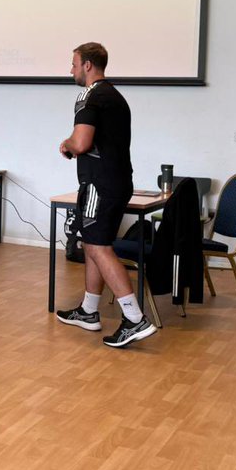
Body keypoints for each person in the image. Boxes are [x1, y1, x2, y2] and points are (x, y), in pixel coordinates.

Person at [55, 43, 157, 348]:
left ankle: (134, 318)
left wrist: (67, 144)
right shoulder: (116, 96)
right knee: (92, 244)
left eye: (73, 64)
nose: (70, 70)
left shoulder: (90, 95)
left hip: (100, 185)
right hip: (117, 181)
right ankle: (88, 311)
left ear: (88, 65)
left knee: (98, 246)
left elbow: (82, 142)